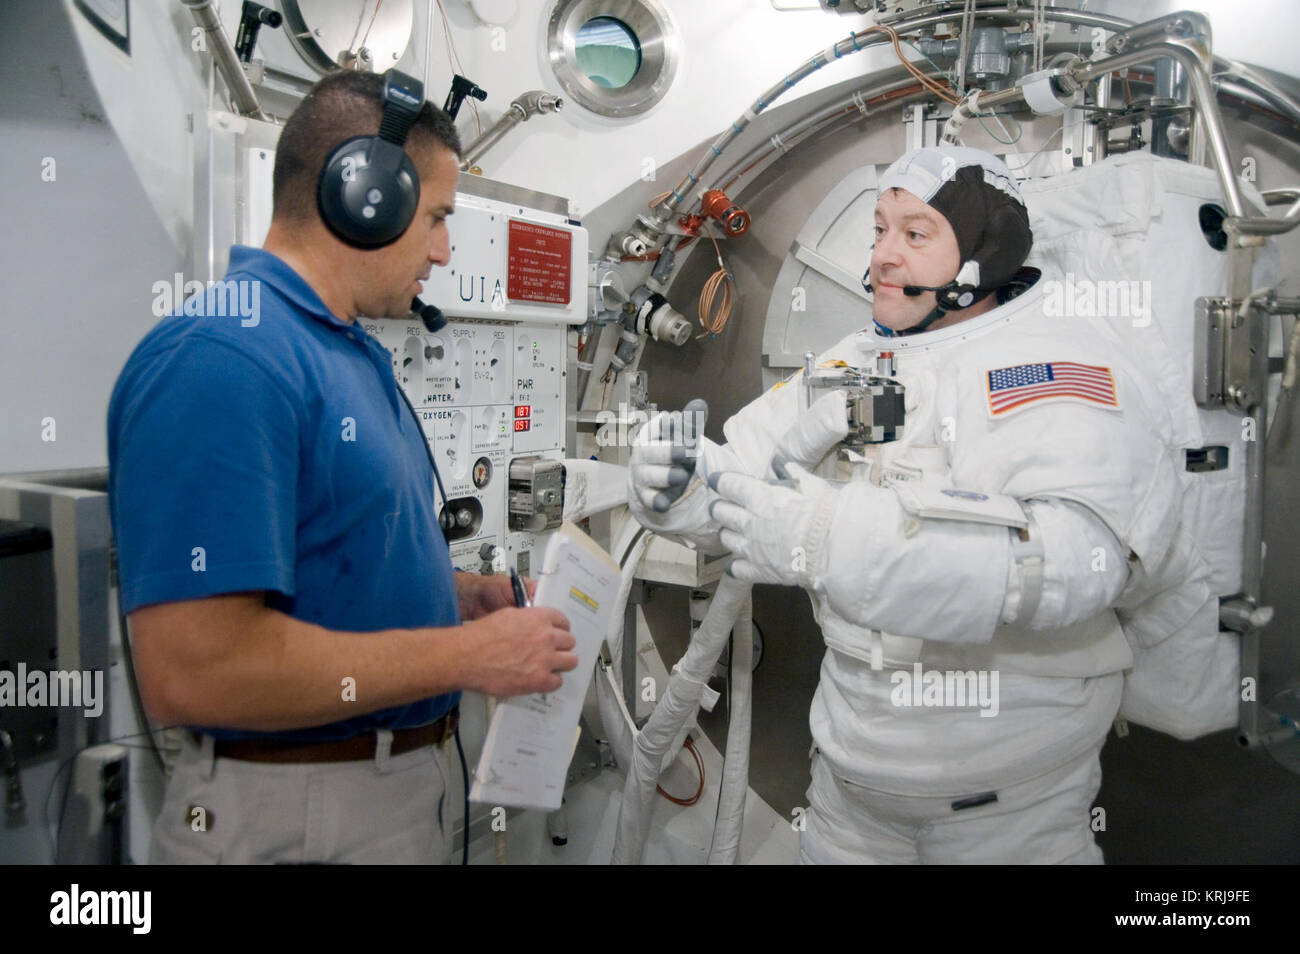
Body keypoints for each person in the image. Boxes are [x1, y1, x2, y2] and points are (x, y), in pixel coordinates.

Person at [628, 145, 1184, 864]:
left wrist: (831, 538)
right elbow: (748, 485)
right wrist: (680, 489)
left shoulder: (1059, 365)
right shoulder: (857, 360)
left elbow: (1078, 565)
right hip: (847, 797)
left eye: (915, 234)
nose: (886, 255)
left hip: (1009, 815)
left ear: (985, 254)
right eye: (880, 229)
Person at [108, 70, 577, 864]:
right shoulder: (225, 358)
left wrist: (459, 600)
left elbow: (323, 562)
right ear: (365, 196)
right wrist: (470, 658)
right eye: (433, 217)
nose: (442, 248)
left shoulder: (339, 351)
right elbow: (196, 670)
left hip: (387, 793)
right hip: (299, 811)